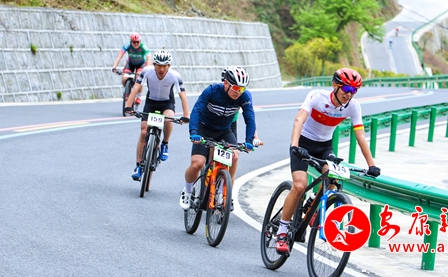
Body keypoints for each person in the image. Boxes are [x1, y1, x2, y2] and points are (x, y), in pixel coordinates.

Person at [274, 68, 381, 255]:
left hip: (324, 147)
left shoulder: (353, 106)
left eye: (354, 90)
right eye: (346, 88)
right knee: (299, 186)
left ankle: (312, 206)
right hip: (303, 143)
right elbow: (299, 120)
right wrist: (295, 146)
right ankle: (282, 231)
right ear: (335, 85)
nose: (349, 94)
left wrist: (371, 165)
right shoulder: (317, 97)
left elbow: (361, 137)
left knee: (333, 178)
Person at [180, 66, 257, 210]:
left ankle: (224, 193)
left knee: (234, 156)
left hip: (224, 131)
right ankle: (187, 190)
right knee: (197, 163)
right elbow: (197, 110)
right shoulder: (212, 91)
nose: (238, 92)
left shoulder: (244, 96)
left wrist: (249, 140)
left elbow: (250, 118)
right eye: (236, 87)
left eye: (242, 88)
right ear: (226, 83)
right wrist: (194, 132)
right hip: (204, 128)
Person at [124, 50, 190, 181]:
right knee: (144, 132)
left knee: (168, 120)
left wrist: (186, 115)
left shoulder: (175, 75)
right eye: (159, 65)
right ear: (154, 64)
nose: (161, 69)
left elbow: (183, 96)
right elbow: (136, 88)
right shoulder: (146, 71)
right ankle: (138, 166)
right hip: (151, 103)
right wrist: (128, 106)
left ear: (169, 66)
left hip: (167, 103)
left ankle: (165, 143)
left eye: (165, 66)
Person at [112, 32, 152, 105]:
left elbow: (149, 58)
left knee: (139, 78)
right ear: (131, 41)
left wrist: (148, 69)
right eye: (134, 42)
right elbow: (119, 56)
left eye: (137, 42)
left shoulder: (143, 46)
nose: (136, 44)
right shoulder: (127, 45)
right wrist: (114, 67)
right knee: (124, 77)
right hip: (130, 64)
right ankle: (127, 91)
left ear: (140, 41)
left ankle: (139, 96)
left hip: (141, 64)